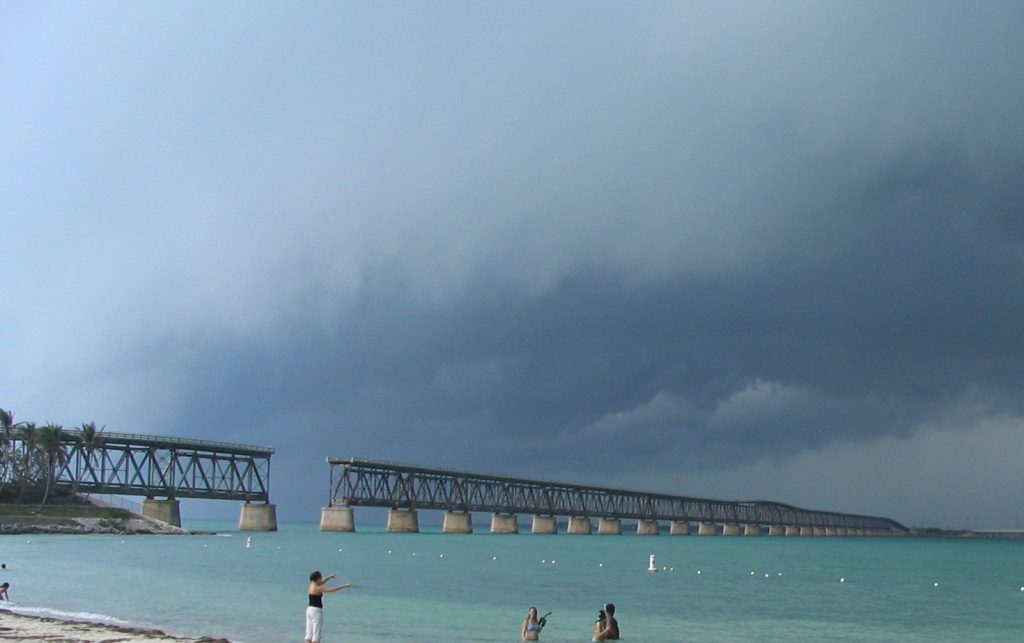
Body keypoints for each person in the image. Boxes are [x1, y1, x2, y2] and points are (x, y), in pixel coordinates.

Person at [305, 570, 352, 643]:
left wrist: (329, 577)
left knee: (309, 632)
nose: (321, 579)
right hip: (316, 611)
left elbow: (322, 581)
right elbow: (332, 589)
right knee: (316, 633)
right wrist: (344, 586)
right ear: (317, 579)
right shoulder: (318, 588)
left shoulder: (311, 585)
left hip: (309, 610)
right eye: (320, 578)